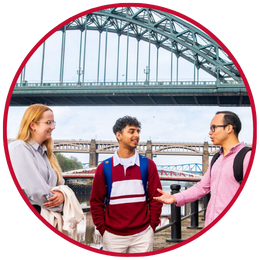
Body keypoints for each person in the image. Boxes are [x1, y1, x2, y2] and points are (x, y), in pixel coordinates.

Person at [154, 111, 251, 227]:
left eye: (213, 128)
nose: (210, 133)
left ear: (229, 128)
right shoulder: (216, 158)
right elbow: (202, 187)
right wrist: (174, 197)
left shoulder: (248, 157)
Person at [90, 116, 163, 253]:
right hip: (112, 236)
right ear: (119, 135)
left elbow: (156, 198)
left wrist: (151, 227)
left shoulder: (148, 164)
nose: (137, 135)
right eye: (131, 131)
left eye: (137, 131)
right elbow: (96, 202)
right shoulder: (104, 167)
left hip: (142, 235)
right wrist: (103, 230)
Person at [8, 104, 65, 213]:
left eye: (53, 122)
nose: (53, 127)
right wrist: (64, 204)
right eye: (48, 122)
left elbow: (60, 184)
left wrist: (62, 195)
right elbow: (35, 191)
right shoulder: (19, 148)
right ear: (33, 125)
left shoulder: (47, 155)